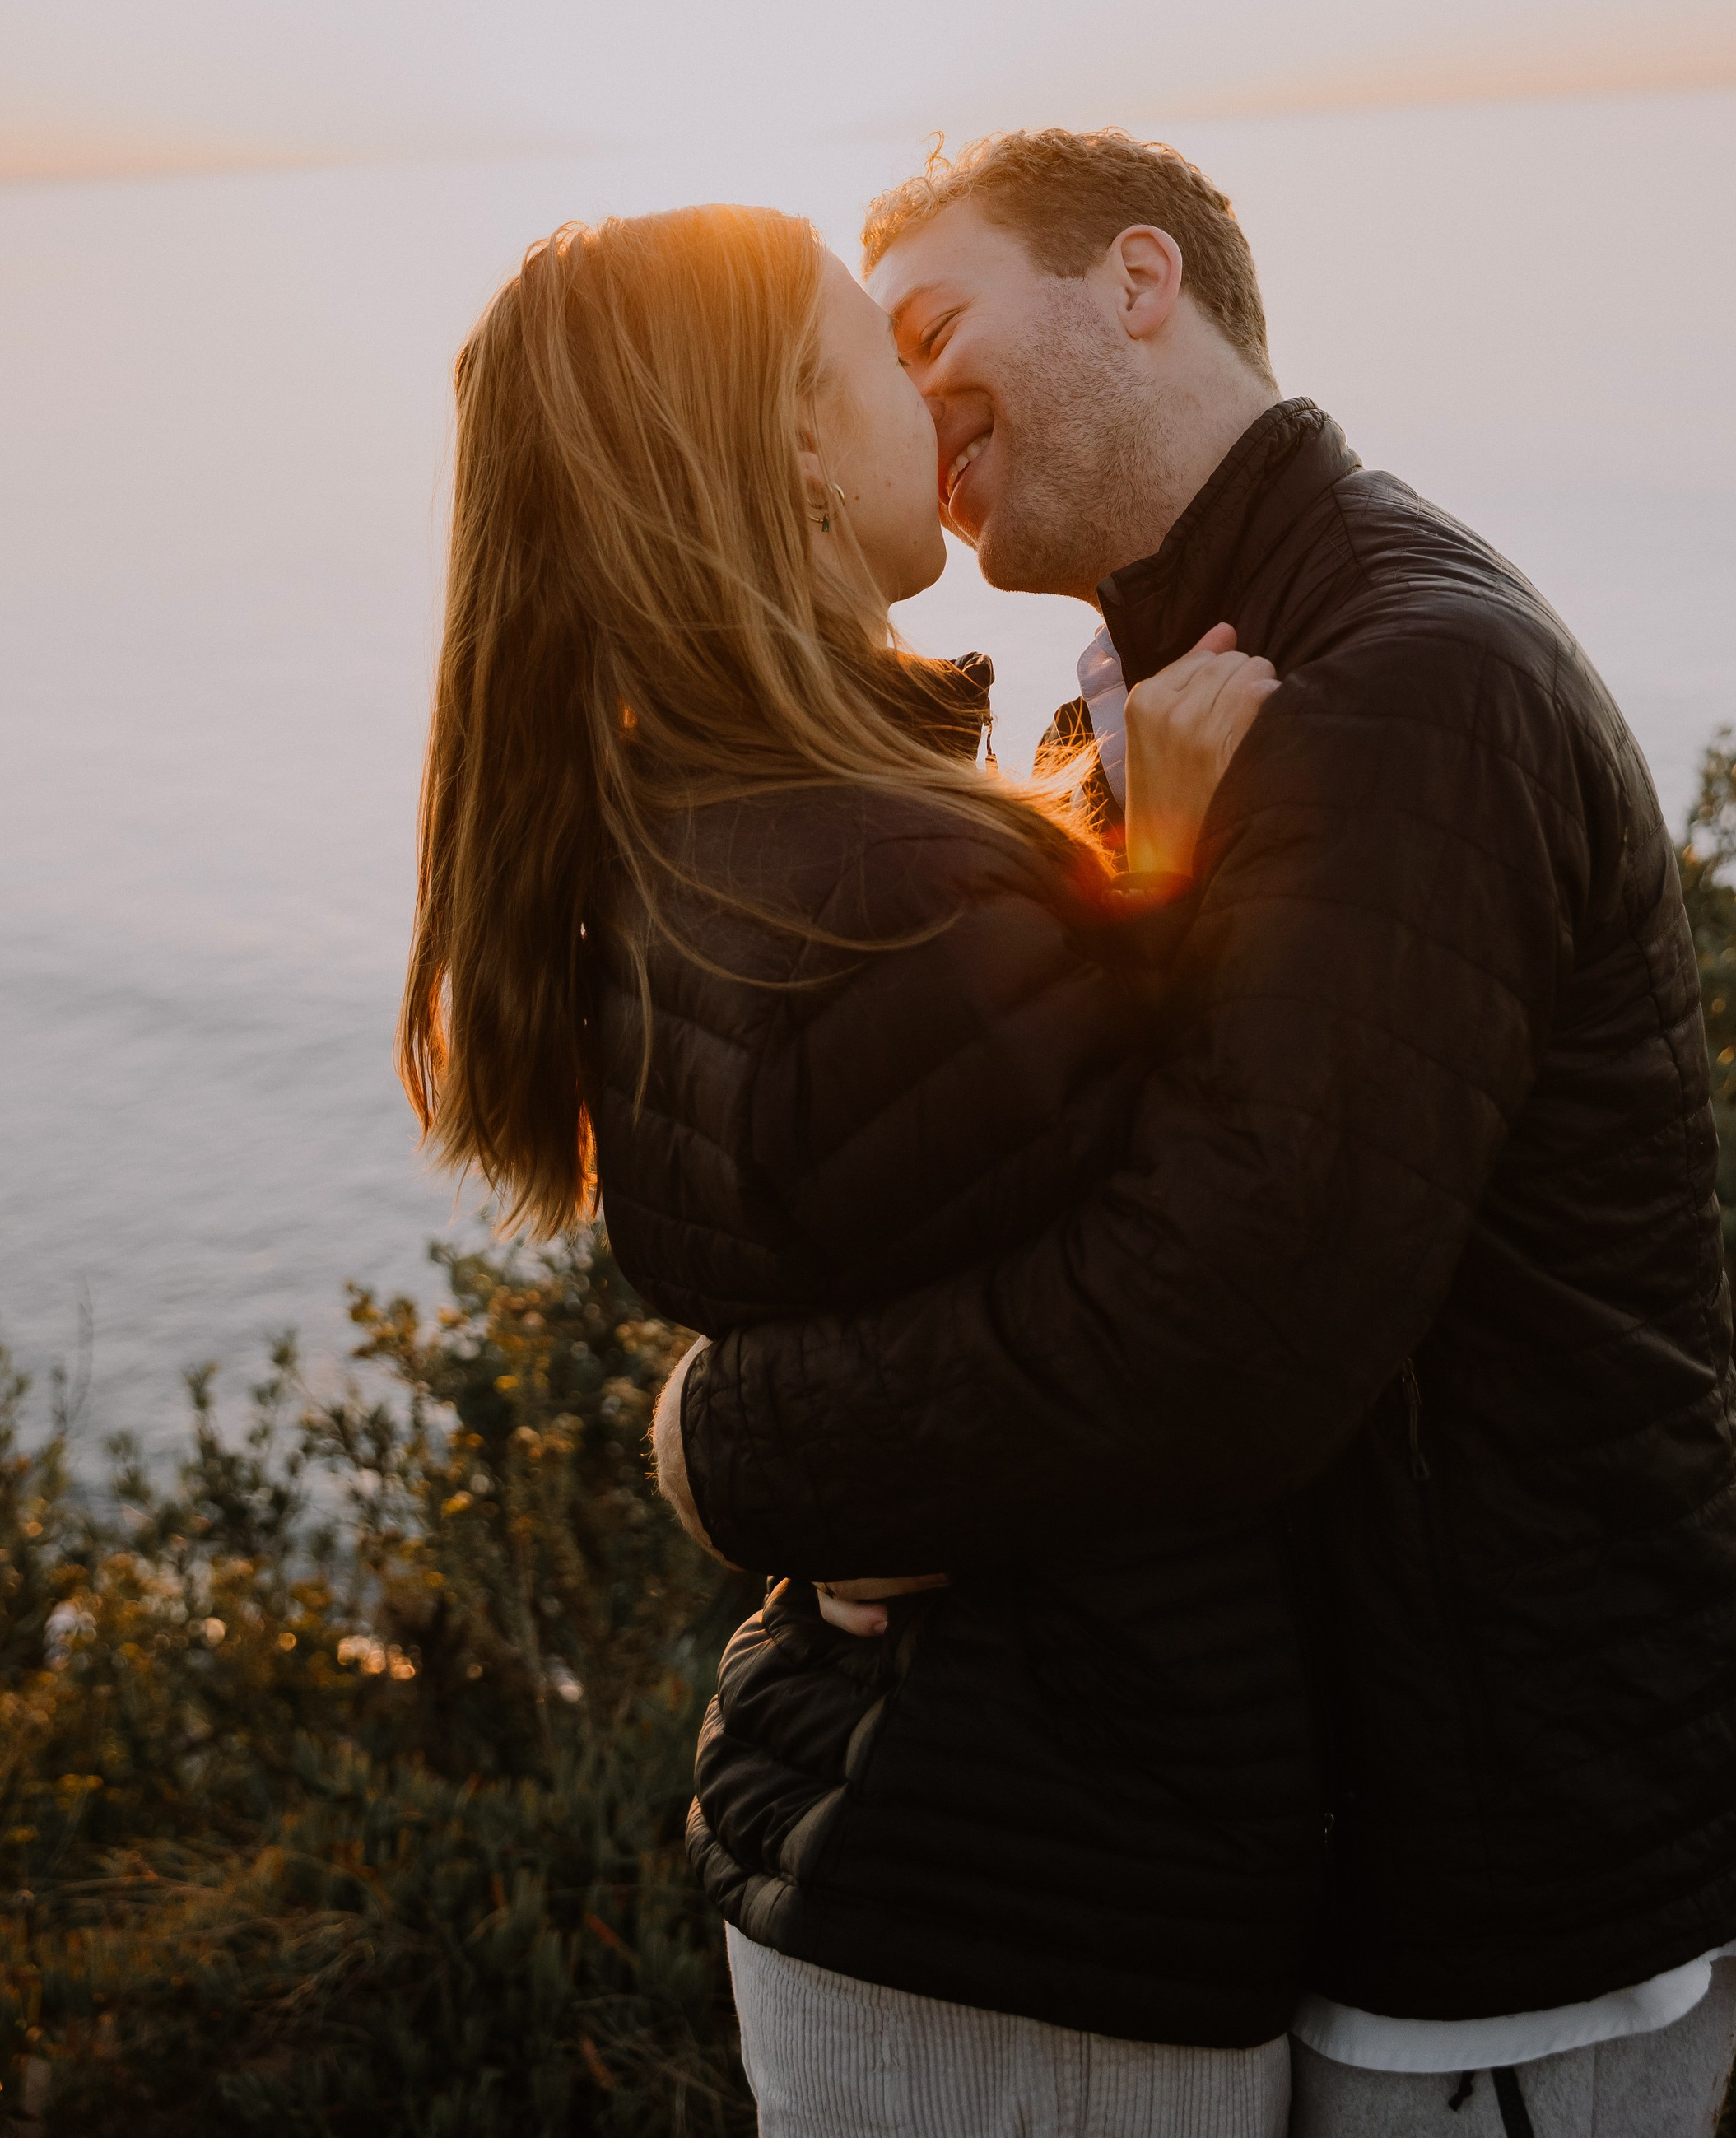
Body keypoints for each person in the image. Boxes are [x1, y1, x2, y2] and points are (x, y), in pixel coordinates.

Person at [654, 128, 1736, 2138]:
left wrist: (729, 1445)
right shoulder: (1146, 696)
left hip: (1511, 1881)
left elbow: (1222, 1326)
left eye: (933, 323)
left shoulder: (1394, 687)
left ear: (1136, 283)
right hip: (1346, 1828)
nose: (909, 395)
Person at [399, 199, 1323, 2138]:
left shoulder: (708, 839)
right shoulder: (889, 886)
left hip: (915, 1849)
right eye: (869, 357)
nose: (924, 397)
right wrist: (1166, 886)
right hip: (1032, 1897)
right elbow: (1184, 1311)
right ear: (800, 447)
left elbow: (946, 1284)